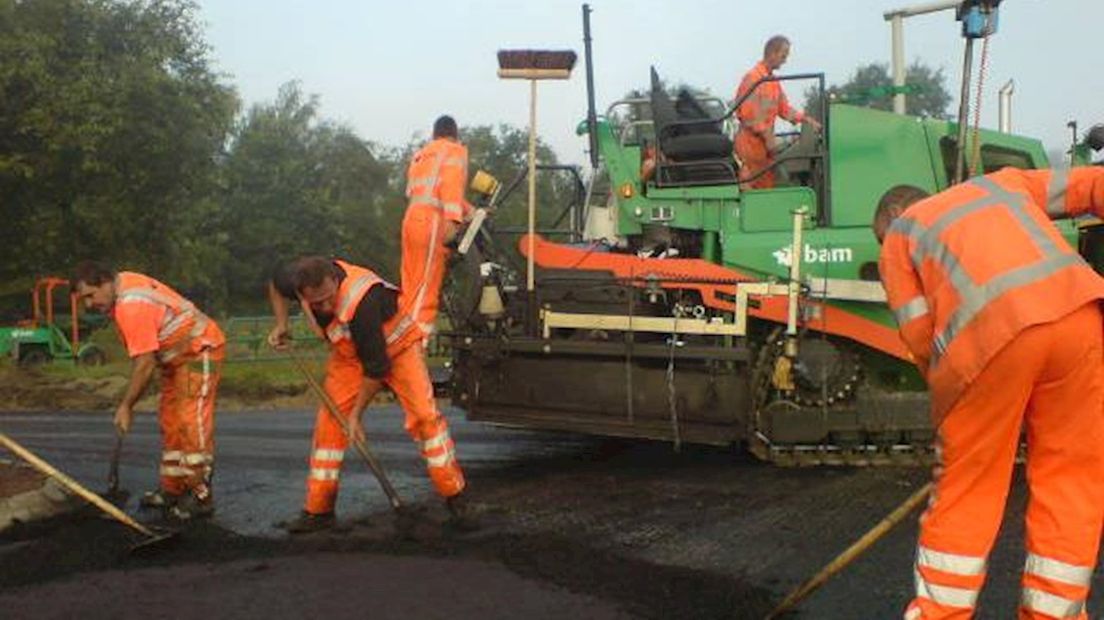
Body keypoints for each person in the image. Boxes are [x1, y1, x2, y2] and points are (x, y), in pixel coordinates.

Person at [874, 167, 1104, 619]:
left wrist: (959, 413)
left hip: (991, 340)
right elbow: (1091, 184)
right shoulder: (1002, 183)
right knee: (1072, 478)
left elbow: (921, 339)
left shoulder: (902, 233)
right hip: (1082, 320)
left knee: (970, 487)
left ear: (895, 213)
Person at [266, 256, 473, 533]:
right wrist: (282, 325)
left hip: (398, 349)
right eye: (316, 304)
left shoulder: (363, 301)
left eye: (329, 299)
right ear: (301, 293)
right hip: (349, 355)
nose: (325, 307)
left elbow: (376, 369)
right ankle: (319, 512)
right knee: (329, 426)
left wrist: (355, 417)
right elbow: (274, 285)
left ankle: (455, 497)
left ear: (336, 282)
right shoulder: (299, 278)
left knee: (424, 418)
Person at [73, 261, 224, 520]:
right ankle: (173, 489)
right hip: (175, 358)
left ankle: (200, 495)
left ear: (106, 282)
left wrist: (126, 406)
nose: (89, 304)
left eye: (91, 295)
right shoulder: (124, 285)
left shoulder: (131, 305)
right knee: (171, 421)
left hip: (199, 349)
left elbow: (144, 364)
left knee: (190, 421)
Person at [391, 115, 472, 353]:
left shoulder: (422, 154)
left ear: (434, 134)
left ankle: (398, 341)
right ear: (455, 134)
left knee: (410, 288)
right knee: (426, 290)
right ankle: (414, 351)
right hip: (432, 223)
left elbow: (424, 191)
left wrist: (470, 211)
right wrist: (454, 220)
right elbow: (450, 187)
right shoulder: (454, 151)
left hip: (411, 220)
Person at [733, 35, 820, 190]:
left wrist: (806, 120)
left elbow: (785, 109)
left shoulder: (772, 82)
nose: (785, 60)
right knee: (750, 194)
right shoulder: (753, 78)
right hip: (749, 148)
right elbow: (747, 115)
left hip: (765, 151)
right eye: (783, 55)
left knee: (768, 191)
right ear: (772, 53)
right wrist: (767, 135)